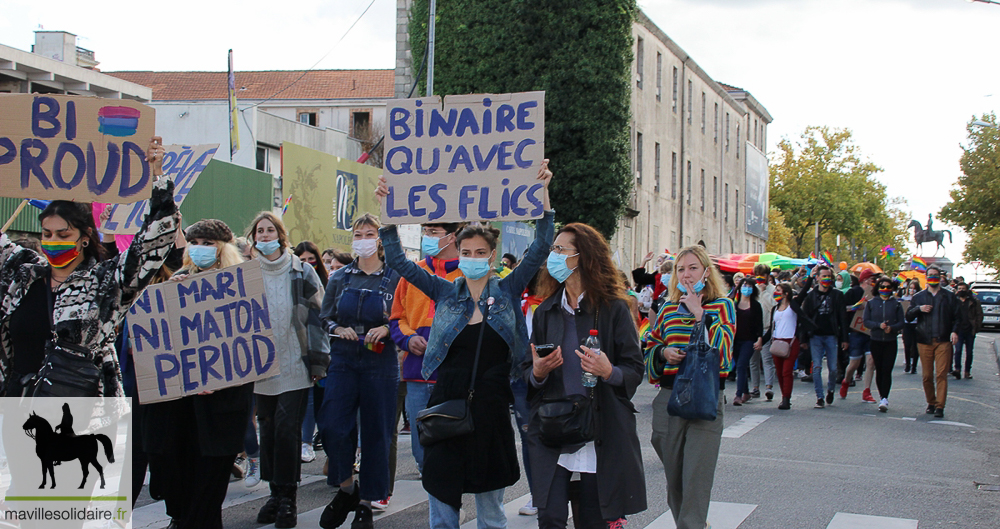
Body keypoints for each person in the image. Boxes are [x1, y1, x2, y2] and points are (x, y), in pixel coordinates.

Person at [375, 163, 553, 529]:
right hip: (447, 403)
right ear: (459, 251)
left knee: (490, 509)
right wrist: (386, 211)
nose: (474, 258)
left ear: (492, 255)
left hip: (490, 408)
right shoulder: (443, 290)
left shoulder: (506, 289)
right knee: (442, 499)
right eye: (467, 251)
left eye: (481, 252)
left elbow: (540, 247)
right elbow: (396, 260)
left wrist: (544, 195)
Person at [0, 137, 178, 399]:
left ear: (84, 238)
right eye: (47, 233)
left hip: (85, 413)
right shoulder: (23, 273)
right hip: (18, 405)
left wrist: (157, 176)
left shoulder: (106, 281)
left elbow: (154, 243)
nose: (53, 241)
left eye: (63, 234)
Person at [524, 223, 646, 529]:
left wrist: (609, 371)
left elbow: (634, 368)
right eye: (553, 249)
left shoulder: (614, 309)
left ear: (584, 257)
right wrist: (537, 373)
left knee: (593, 519)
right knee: (550, 517)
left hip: (599, 427)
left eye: (560, 250)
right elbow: (529, 376)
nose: (553, 256)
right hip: (554, 425)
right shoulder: (545, 312)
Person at [144, 218, 253, 529]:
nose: (201, 249)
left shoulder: (239, 285)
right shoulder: (176, 280)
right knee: (177, 473)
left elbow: (246, 345)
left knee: (209, 481)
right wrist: (168, 297)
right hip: (181, 405)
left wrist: (217, 379)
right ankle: (182, 518)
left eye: (208, 244)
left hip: (222, 405)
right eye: (195, 243)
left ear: (223, 249)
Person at [247, 212, 331, 528]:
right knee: (266, 429)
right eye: (260, 231)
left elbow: (318, 317)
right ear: (254, 237)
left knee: (286, 429)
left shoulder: (303, 271)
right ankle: (274, 492)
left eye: (270, 230)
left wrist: (319, 361)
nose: (265, 235)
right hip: (260, 367)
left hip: (296, 363)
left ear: (281, 236)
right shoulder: (247, 273)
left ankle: (288, 497)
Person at [318, 214, 400, 529]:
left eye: (370, 233)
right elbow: (324, 317)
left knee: (377, 433)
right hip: (343, 359)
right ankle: (346, 489)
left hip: (380, 362)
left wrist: (387, 328)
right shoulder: (339, 277)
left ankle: (366, 502)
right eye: (358, 233)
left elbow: (402, 318)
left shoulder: (395, 276)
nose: (363, 238)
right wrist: (338, 327)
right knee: (333, 426)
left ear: (379, 239)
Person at [646, 245, 734, 529]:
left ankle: (691, 525)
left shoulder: (723, 306)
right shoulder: (669, 307)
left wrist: (700, 315)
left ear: (707, 272)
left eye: (693, 267)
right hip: (670, 397)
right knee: (675, 475)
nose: (686, 274)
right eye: (681, 269)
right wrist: (663, 353)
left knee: (696, 474)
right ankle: (693, 522)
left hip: (706, 396)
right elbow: (651, 345)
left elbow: (724, 352)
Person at [389, 220, 464, 479]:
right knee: (421, 448)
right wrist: (408, 339)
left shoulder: (469, 274)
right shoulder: (411, 274)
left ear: (452, 236)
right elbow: (396, 318)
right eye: (426, 232)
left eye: (433, 233)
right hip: (417, 372)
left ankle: (448, 502)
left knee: (455, 445)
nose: (427, 238)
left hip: (455, 375)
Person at [906, 266, 960, 418]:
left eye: (936, 275)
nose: (933, 278)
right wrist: (919, 309)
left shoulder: (949, 296)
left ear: (940, 277)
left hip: (943, 340)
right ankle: (931, 401)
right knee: (927, 376)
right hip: (924, 340)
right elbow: (908, 315)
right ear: (926, 277)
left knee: (941, 374)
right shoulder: (919, 297)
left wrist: (954, 331)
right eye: (930, 275)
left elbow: (957, 316)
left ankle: (940, 406)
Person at [294, 240, 330, 465]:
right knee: (305, 400)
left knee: (320, 400)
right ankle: (305, 441)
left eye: (311, 260)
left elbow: (320, 319)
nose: (307, 264)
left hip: (320, 351)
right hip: (297, 350)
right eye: (302, 260)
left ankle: (322, 444)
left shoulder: (325, 283)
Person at [799, 265, 849, 409]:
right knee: (817, 366)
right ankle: (819, 397)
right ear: (818, 278)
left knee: (833, 368)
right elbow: (805, 318)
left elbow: (842, 318)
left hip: (831, 335)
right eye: (824, 276)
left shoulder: (837, 295)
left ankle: (831, 389)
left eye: (829, 277)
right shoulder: (811, 296)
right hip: (816, 336)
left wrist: (845, 338)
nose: (826, 279)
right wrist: (803, 339)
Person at [862, 276, 905, 412]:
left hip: (890, 341)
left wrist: (891, 328)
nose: (885, 289)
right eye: (882, 287)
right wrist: (878, 325)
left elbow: (901, 322)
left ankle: (884, 397)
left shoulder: (896, 304)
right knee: (879, 369)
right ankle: (881, 394)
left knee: (887, 369)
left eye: (888, 287)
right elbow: (866, 321)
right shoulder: (871, 303)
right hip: (876, 340)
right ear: (878, 289)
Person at [761, 283, 804, 410]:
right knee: (779, 372)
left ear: (786, 293)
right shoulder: (775, 308)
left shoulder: (793, 306)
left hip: (791, 341)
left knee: (786, 371)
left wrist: (811, 277)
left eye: (778, 291)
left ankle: (786, 399)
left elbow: (803, 294)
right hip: (777, 341)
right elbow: (771, 328)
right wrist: (761, 342)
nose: (776, 293)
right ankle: (784, 395)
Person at [840, 269, 875, 402]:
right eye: (871, 278)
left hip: (870, 332)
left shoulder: (874, 293)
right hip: (856, 332)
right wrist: (856, 307)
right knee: (854, 364)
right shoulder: (853, 292)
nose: (873, 281)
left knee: (871, 361)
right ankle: (846, 380)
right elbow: (843, 309)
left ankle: (867, 391)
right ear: (864, 279)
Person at [731, 278, 763, 406]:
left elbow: (759, 324)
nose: (747, 288)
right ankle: (746, 392)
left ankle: (738, 395)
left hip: (749, 340)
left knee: (741, 365)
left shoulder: (755, 305)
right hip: (735, 340)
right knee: (739, 364)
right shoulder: (734, 303)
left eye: (750, 286)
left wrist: (760, 338)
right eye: (745, 285)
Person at [750, 264, 777, 401]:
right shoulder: (752, 290)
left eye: (762, 275)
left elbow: (773, 307)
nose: (759, 278)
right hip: (753, 328)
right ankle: (755, 387)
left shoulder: (773, 289)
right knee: (753, 360)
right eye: (757, 275)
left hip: (766, 327)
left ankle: (768, 387)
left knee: (766, 359)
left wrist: (764, 292)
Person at [952, 282, 983, 380]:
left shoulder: (973, 301)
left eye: (963, 288)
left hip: (970, 329)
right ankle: (957, 369)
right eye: (959, 288)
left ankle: (967, 371)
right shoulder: (954, 301)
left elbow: (979, 314)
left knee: (969, 352)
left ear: (967, 290)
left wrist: (977, 326)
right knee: (958, 350)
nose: (961, 290)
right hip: (958, 329)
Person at [902, 279, 921, 374]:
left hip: (916, 323)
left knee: (915, 345)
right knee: (907, 344)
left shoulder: (919, 298)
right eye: (911, 288)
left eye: (914, 289)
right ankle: (908, 364)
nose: (912, 290)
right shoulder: (904, 298)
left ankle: (914, 366)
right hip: (907, 323)